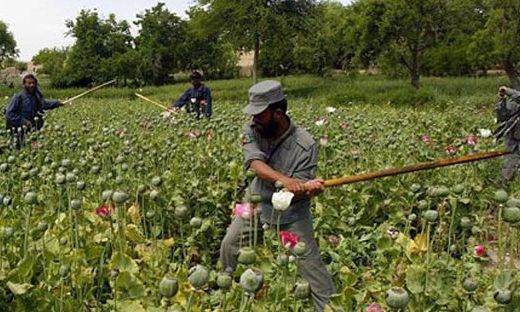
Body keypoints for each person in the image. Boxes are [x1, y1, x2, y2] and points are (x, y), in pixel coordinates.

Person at [219, 80, 335, 311]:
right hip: (256, 202)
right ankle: (225, 295)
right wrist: (285, 180)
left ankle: (330, 307)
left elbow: (298, 193)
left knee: (311, 269)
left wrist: (308, 190)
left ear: (278, 113)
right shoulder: (252, 130)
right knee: (229, 244)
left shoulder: (305, 144)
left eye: (260, 114)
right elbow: (254, 164)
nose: (254, 119)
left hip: (291, 214)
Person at [5, 74, 63, 148]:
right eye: (29, 83)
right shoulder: (18, 97)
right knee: (17, 147)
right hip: (17, 129)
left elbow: (44, 104)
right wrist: (24, 121)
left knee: (33, 147)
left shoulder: (36, 97)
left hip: (31, 128)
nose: (31, 85)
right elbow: (9, 113)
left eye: (33, 83)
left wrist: (58, 103)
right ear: (24, 84)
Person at [497, 86, 520, 184]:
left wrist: (508, 91)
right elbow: (502, 116)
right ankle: (503, 184)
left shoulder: (516, 96)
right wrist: (501, 100)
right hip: (514, 136)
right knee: (510, 161)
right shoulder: (513, 101)